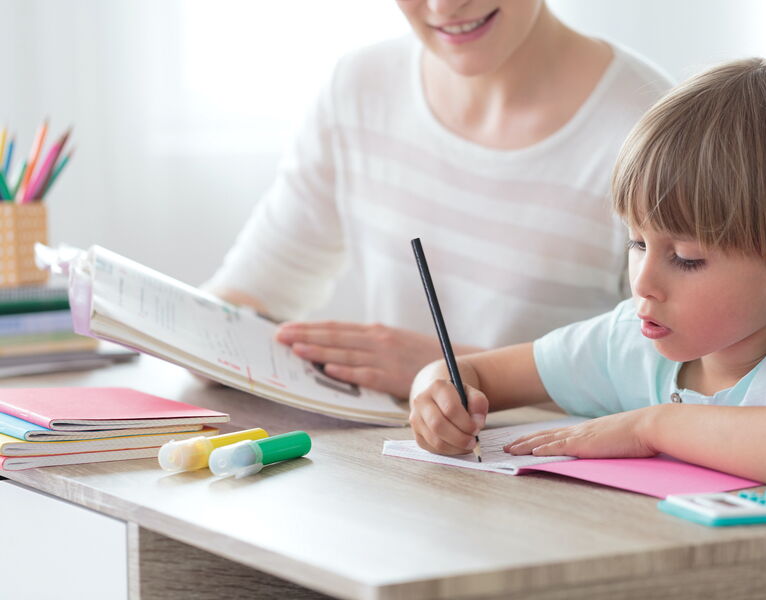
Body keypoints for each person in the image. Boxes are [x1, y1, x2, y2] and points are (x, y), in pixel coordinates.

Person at [205, 0, 671, 398]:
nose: (444, 7)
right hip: (395, 466)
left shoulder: (655, 133)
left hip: (557, 485)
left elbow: (679, 380)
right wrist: (198, 339)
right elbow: (255, 288)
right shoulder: (359, 87)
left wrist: (454, 369)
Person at [408, 58, 766, 488]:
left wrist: (652, 427)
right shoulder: (627, 342)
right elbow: (472, 373)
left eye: (686, 258)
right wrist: (436, 395)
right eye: (637, 243)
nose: (643, 283)